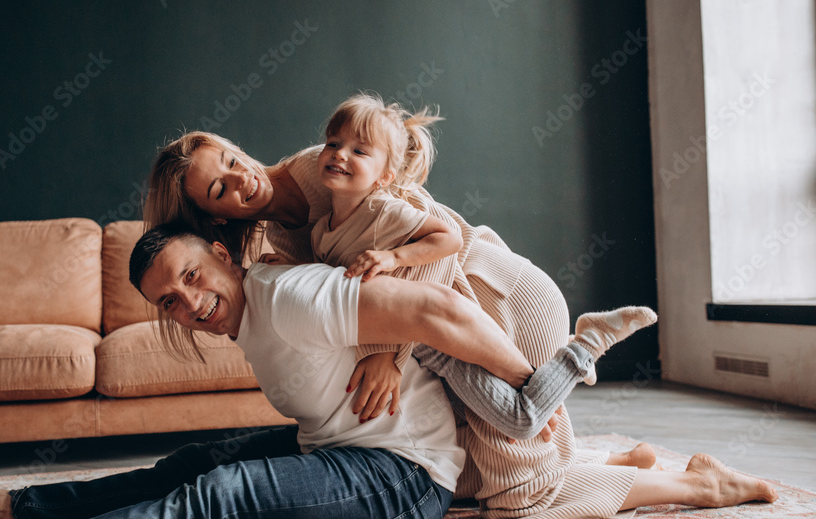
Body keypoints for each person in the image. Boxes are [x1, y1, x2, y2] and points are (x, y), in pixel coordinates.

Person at [0, 225, 777, 519]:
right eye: (169, 300)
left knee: (210, 504)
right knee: (192, 465)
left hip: (399, 480)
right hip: (348, 446)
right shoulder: (253, 309)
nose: (188, 303)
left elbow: (436, 310)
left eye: (192, 277)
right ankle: (9, 503)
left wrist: (537, 398)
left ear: (223, 256)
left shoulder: (288, 296)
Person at [144, 101, 639, 497]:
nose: (241, 179)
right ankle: (609, 465)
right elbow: (346, 274)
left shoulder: (327, 166)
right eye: (218, 188)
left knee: (515, 484)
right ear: (215, 220)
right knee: (482, 465)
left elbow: (433, 250)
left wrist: (388, 354)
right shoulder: (280, 238)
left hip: (489, 294)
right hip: (443, 327)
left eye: (231, 160)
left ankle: (681, 484)